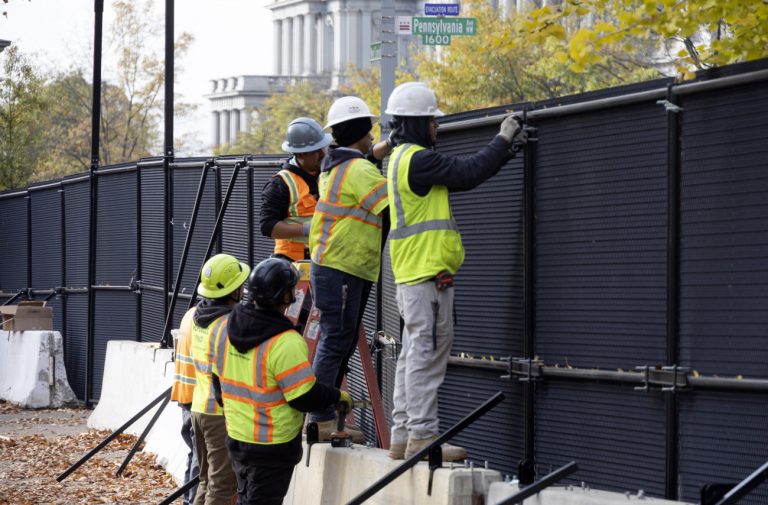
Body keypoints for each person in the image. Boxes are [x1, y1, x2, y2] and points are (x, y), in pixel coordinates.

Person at [384, 82, 527, 461]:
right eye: (431, 120)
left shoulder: (399, 159)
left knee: (412, 356)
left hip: (413, 274)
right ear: (416, 123)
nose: (437, 127)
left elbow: (463, 175)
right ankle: (422, 438)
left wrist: (505, 153)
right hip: (426, 276)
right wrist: (503, 138)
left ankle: (403, 436)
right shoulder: (418, 159)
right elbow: (468, 172)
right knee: (426, 357)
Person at [211, 258, 354, 505]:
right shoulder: (286, 342)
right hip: (272, 447)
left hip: (237, 438)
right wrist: (336, 396)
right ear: (285, 296)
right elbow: (303, 396)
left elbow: (218, 384)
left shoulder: (225, 329)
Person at [307, 96, 393, 441]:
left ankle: (324, 413)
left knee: (336, 340)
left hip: (337, 266)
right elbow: (393, 203)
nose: (373, 137)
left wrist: (387, 147)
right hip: (341, 268)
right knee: (334, 340)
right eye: (370, 131)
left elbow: (367, 160)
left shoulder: (336, 164)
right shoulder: (357, 171)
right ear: (359, 132)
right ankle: (321, 416)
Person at [190, 253, 250, 505]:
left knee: (206, 481)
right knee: (223, 488)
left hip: (199, 409)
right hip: (218, 414)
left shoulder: (198, 317)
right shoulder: (227, 324)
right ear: (233, 290)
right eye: (240, 286)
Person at [259, 117, 332, 262]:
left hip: (325, 259)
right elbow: (267, 226)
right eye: (316, 151)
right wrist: (306, 229)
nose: (323, 154)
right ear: (301, 154)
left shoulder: (326, 173)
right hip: (292, 264)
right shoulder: (281, 183)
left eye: (322, 148)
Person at [170, 307, 200, 505]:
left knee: (193, 453)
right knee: (200, 457)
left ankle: (188, 501)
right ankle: (192, 500)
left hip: (186, 394)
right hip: (199, 398)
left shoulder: (191, 314)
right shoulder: (208, 319)